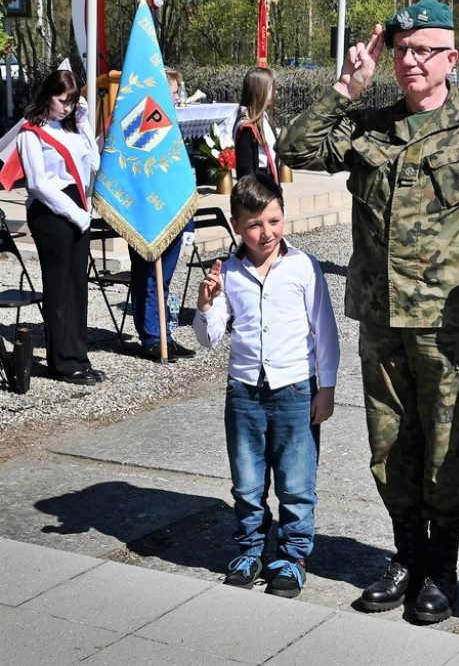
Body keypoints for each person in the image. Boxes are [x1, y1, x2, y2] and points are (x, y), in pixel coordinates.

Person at [277, 0, 459, 622]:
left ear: (450, 59)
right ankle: (407, 554)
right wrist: (345, 86)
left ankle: (442, 567)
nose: (410, 62)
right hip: (381, 317)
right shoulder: (369, 125)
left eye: (424, 52)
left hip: (449, 323)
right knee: (388, 445)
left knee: (444, 449)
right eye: (402, 51)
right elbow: (296, 149)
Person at [193, 172, 340, 599]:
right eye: (255, 224)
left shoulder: (303, 266)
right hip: (244, 393)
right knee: (247, 482)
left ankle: (292, 557)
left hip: (295, 389)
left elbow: (324, 331)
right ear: (237, 224)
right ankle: (250, 550)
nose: (266, 232)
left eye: (274, 221)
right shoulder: (228, 272)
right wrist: (206, 305)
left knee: (297, 482)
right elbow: (210, 337)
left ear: (283, 217)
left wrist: (325, 387)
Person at [17, 69, 104, 385]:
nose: (66, 107)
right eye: (61, 100)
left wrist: (83, 124)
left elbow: (94, 164)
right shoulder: (31, 132)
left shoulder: (73, 129)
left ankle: (79, 356)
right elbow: (38, 184)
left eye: (71, 102)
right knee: (59, 288)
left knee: (78, 286)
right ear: (47, 95)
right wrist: (74, 213)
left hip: (78, 206)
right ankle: (62, 363)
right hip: (50, 212)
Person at [129, 67, 196, 363]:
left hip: (172, 213)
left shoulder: (171, 126)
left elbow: (180, 177)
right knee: (148, 278)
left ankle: (165, 335)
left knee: (164, 280)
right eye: (172, 90)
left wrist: (189, 220)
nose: (176, 95)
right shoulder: (140, 126)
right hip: (148, 214)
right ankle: (152, 338)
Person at [234, 67, 279, 181]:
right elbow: (246, 172)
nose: (276, 92)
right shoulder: (246, 127)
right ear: (260, 91)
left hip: (270, 185)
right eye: (272, 88)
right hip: (257, 189)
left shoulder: (266, 118)